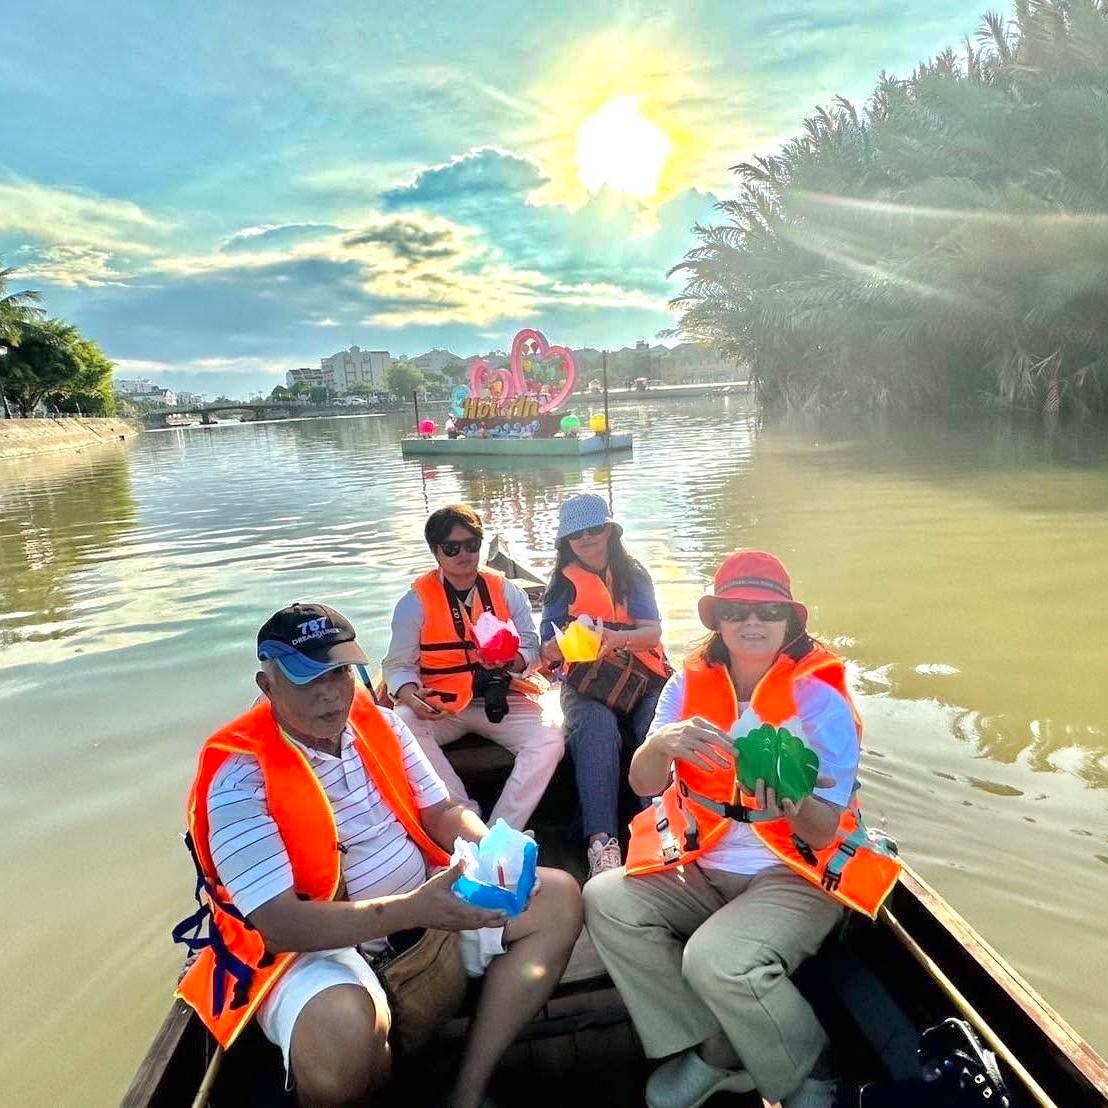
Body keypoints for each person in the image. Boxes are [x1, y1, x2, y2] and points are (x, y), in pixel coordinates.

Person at [174, 602, 582, 1108]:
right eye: (307, 678)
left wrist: (493, 848)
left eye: (339, 672)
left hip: (425, 903)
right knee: (341, 1036)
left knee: (557, 898)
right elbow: (279, 925)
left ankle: (467, 1091)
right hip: (316, 948)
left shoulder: (382, 723)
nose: (330, 692)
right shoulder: (238, 779)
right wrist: (415, 909)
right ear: (267, 685)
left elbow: (442, 810)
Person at [583, 551, 900, 1108]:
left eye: (768, 611)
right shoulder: (687, 683)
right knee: (606, 900)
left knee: (715, 960)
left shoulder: (819, 694)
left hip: (796, 871)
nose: (752, 622)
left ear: (789, 620)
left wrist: (793, 802)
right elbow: (642, 780)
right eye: (736, 610)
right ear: (718, 619)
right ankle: (720, 1048)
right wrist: (661, 744)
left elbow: (822, 831)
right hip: (702, 862)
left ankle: (814, 1071)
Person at [384, 504, 564, 830]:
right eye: (452, 548)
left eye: (472, 544)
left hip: (500, 697)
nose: (464, 554)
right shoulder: (414, 603)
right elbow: (397, 666)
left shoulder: (507, 591)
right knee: (403, 721)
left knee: (550, 737)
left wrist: (513, 661)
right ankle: (463, 818)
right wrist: (411, 696)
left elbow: (531, 648)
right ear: (436, 552)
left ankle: (501, 830)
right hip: (441, 707)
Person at [539, 493, 670, 878]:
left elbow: (652, 633)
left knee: (656, 731)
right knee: (597, 730)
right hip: (587, 682)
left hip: (644, 677)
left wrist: (616, 639)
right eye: (576, 533)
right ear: (566, 541)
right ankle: (602, 845)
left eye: (594, 529)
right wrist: (560, 645)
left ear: (610, 531)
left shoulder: (634, 574)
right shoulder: (561, 585)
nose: (586, 538)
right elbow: (547, 651)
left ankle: (662, 831)